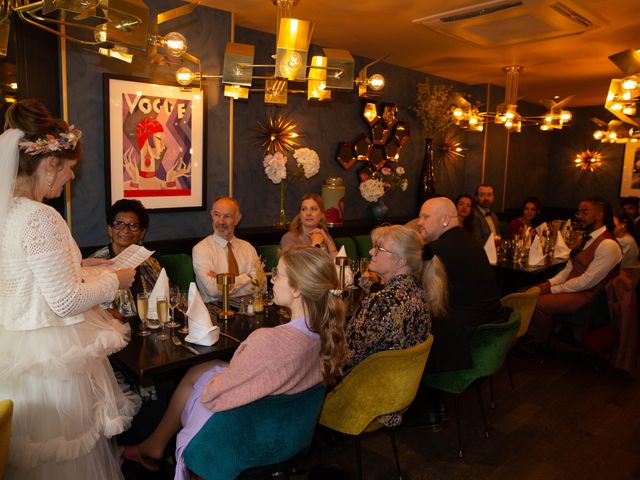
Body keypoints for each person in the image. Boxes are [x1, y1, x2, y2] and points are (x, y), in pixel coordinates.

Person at [0, 99, 139, 479]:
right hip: (53, 360)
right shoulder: (41, 216)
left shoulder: (8, 212)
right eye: (69, 169)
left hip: (19, 354)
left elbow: (26, 275)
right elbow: (63, 300)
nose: (71, 179)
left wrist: (79, 266)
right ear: (49, 164)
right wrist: (115, 280)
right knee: (68, 458)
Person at [122, 246, 346, 478]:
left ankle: (155, 444)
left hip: (243, 444)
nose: (272, 280)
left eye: (278, 274)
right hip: (292, 438)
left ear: (298, 289)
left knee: (200, 380)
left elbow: (216, 397)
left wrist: (215, 380)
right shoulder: (327, 334)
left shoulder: (268, 341)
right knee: (203, 368)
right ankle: (156, 444)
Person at [344, 225, 445, 426]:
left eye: (380, 249)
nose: (371, 251)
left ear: (401, 261)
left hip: (366, 398)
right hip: (397, 394)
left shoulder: (382, 303)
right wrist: (373, 288)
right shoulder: (419, 292)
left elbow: (346, 358)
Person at [417, 197, 503, 372]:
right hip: (487, 324)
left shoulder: (437, 249)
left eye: (425, 217)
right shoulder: (469, 241)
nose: (419, 222)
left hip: (464, 335)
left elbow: (410, 288)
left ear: (445, 220)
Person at [529, 197, 623, 344]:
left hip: (590, 298)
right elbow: (569, 269)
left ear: (599, 215)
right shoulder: (583, 239)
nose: (578, 216)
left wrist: (553, 289)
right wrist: (548, 282)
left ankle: (542, 345)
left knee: (535, 304)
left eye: (584, 212)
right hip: (574, 290)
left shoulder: (608, 245)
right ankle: (543, 336)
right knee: (526, 293)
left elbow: (587, 281)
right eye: (578, 212)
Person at [90, 198, 161, 317]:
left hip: (149, 328)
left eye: (133, 225)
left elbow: (163, 296)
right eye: (119, 224)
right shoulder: (95, 264)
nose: (126, 230)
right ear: (110, 230)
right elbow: (87, 306)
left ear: (142, 233)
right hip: (112, 330)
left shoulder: (151, 264)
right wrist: (103, 313)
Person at [193, 197, 259, 302]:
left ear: (237, 219)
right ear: (212, 215)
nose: (221, 221)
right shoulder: (201, 250)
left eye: (227, 216)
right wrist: (246, 277)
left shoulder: (248, 248)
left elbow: (260, 285)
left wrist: (221, 279)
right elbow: (213, 290)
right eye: (217, 215)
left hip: (248, 309)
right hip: (214, 313)